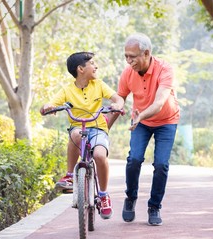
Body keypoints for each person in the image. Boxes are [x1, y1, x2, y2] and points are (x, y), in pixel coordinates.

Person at [40, 52, 124, 219]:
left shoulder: (99, 84)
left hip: (98, 127)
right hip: (78, 127)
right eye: (92, 63)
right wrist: (48, 107)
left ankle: (103, 195)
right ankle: (70, 175)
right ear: (80, 69)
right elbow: (51, 103)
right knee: (76, 133)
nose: (96, 66)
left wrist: (116, 105)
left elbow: (118, 98)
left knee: (100, 155)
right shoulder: (67, 90)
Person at [117, 33, 180, 226]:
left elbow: (160, 103)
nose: (129, 61)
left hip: (166, 121)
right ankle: (131, 197)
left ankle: (154, 206)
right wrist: (110, 119)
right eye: (126, 56)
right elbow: (120, 97)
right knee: (134, 159)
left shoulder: (165, 69)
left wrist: (141, 115)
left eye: (132, 56)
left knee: (161, 164)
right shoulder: (128, 72)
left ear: (146, 53)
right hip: (141, 122)